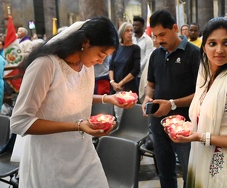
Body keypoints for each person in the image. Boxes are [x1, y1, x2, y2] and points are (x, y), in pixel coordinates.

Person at [10, 16, 135, 187]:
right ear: (85, 42)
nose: (101, 61)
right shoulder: (45, 65)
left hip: (82, 152)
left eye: (106, 57)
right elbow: (19, 121)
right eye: (100, 54)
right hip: (50, 157)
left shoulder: (86, 67)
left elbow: (72, 96)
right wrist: (77, 125)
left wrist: (108, 99)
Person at [167, 17, 227, 187]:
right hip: (202, 161)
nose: (219, 50)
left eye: (226, 43)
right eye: (212, 44)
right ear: (203, 47)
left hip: (226, 173)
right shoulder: (206, 77)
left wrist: (202, 136)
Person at [142, 10, 200, 188]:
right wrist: (147, 97)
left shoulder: (193, 54)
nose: (159, 40)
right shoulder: (156, 55)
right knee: (164, 170)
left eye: (162, 34)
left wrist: (172, 104)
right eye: (155, 36)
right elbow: (151, 84)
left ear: (175, 28)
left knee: (190, 171)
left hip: (186, 126)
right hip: (159, 124)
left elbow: (202, 93)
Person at [109, 22, 141, 95]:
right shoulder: (117, 47)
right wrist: (112, 82)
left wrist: (121, 83)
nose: (130, 33)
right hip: (115, 85)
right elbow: (111, 66)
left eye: (131, 30)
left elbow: (136, 70)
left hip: (128, 86)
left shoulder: (135, 48)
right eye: (127, 31)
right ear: (122, 32)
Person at [132, 16, 154, 88]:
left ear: (142, 26)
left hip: (142, 73)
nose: (134, 27)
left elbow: (148, 56)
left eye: (137, 25)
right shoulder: (131, 39)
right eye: (134, 25)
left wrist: (138, 67)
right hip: (130, 73)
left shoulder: (148, 40)